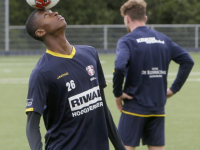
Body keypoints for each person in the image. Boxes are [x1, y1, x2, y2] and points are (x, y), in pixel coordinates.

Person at [25, 9, 126, 150]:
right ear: (40, 32)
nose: (55, 13)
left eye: (52, 11)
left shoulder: (90, 53)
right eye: (46, 15)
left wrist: (120, 147)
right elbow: (32, 125)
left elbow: (102, 106)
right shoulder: (41, 72)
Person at [113, 0, 194, 150]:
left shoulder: (127, 41)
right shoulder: (163, 39)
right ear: (145, 18)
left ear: (127, 19)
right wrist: (173, 90)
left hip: (134, 107)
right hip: (157, 107)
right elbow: (187, 61)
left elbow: (119, 67)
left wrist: (118, 94)